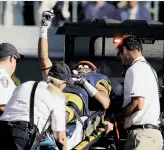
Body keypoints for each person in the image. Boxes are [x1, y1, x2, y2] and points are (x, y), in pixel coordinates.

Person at [38, 10, 112, 149]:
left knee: (68, 107)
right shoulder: (64, 74)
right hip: (52, 98)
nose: (83, 67)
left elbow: (105, 102)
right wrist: (43, 28)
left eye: (87, 66)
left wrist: (84, 83)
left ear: (93, 71)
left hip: (74, 102)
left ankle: (52, 131)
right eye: (80, 65)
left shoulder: (98, 79)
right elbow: (44, 59)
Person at [0, 62, 71, 150]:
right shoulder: (57, 97)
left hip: (0, 132)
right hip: (22, 137)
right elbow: (61, 139)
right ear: (62, 84)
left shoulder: (25, 85)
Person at [115, 35, 163, 150]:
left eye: (119, 53)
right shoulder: (150, 70)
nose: (120, 57)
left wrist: (115, 117)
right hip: (151, 136)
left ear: (125, 50)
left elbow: (137, 103)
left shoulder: (134, 69)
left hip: (142, 137)